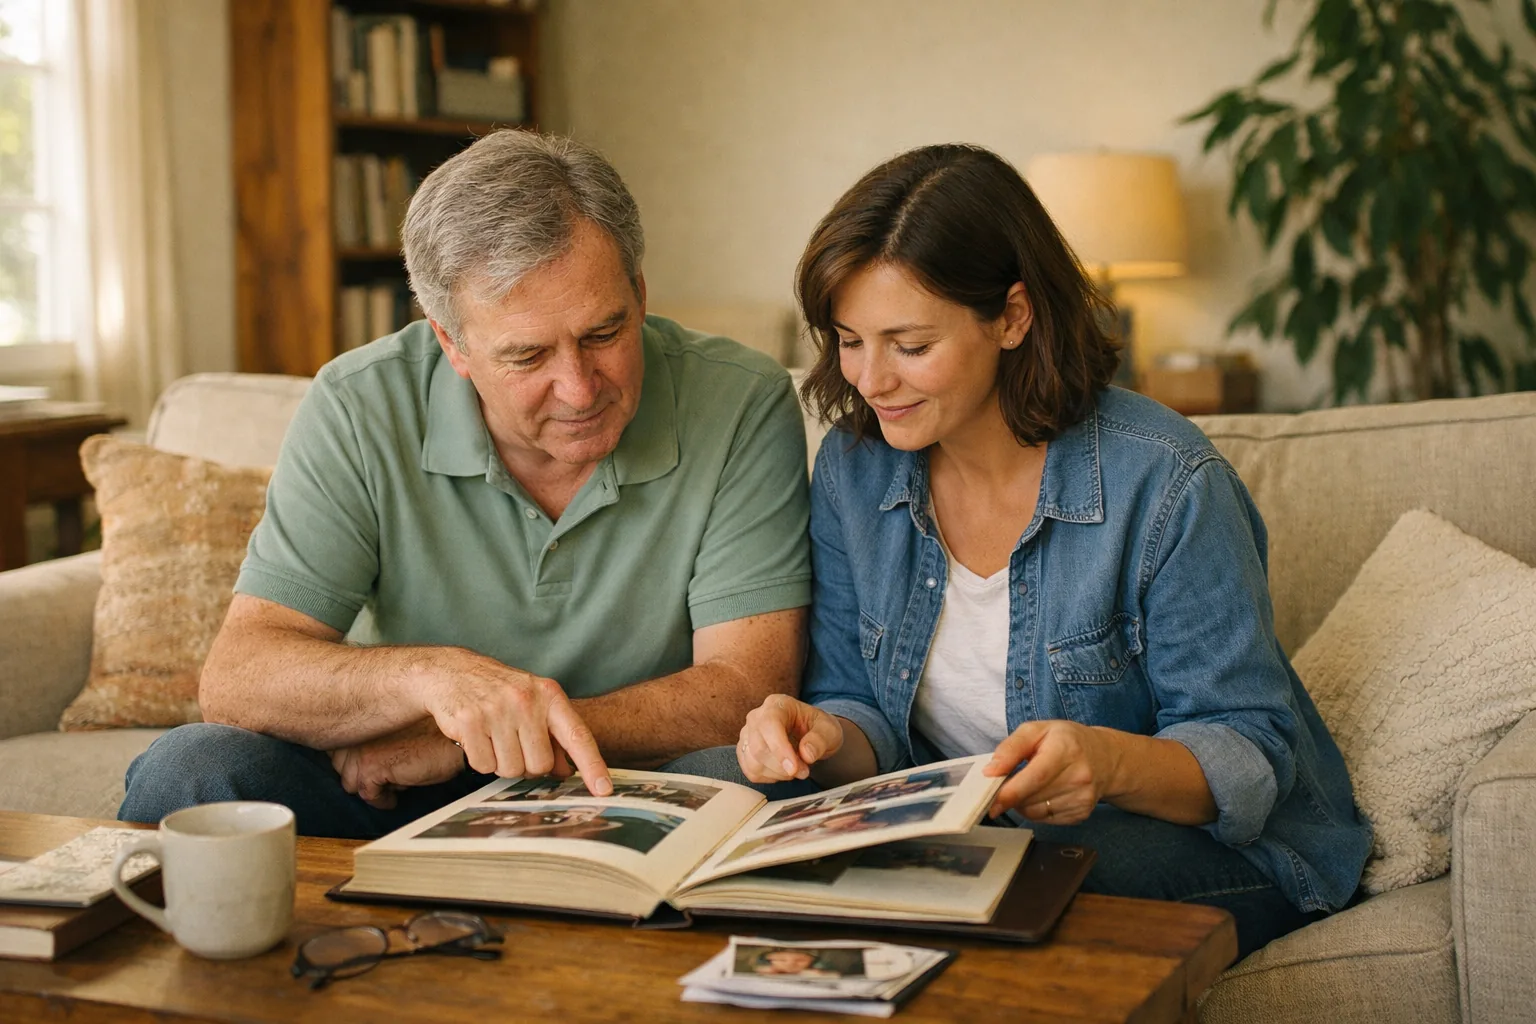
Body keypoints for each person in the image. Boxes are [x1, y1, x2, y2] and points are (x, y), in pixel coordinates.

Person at [733, 144, 1371, 958]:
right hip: (981, 838)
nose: (869, 379)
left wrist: (1105, 763)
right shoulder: (857, 471)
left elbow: (1248, 751)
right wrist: (818, 734)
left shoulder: (1166, 479)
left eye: (910, 345)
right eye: (849, 340)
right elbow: (865, 712)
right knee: (756, 820)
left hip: (1213, 850)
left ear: (1013, 316)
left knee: (1020, 879)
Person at [118, 132, 812, 838]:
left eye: (604, 333)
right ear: (451, 343)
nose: (578, 389)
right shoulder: (359, 405)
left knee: (759, 781)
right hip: (389, 783)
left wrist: (470, 741)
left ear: (638, 292)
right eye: (528, 354)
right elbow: (239, 677)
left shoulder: (740, 399)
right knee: (191, 769)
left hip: (624, 777)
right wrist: (434, 683)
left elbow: (744, 689)